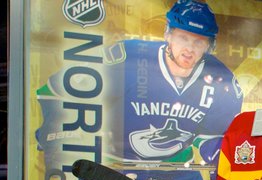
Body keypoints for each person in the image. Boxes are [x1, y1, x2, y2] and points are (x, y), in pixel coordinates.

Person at [37, 0, 243, 165]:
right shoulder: (130, 57)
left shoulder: (221, 80)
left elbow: (213, 139)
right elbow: (55, 89)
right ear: (167, 34)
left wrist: (224, 164)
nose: (190, 49)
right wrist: (56, 130)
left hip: (176, 169)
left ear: (209, 45)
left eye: (199, 42)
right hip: (115, 165)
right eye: (183, 38)